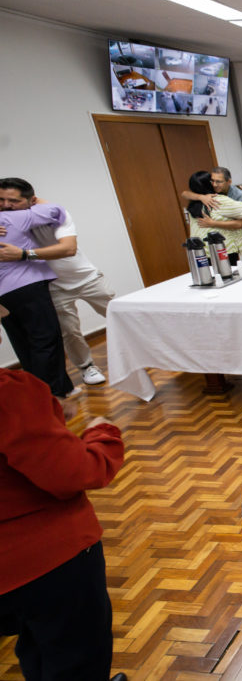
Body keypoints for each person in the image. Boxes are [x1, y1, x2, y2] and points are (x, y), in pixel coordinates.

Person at [0, 301, 127, 681]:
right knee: (76, 659)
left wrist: (44, 411)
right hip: (44, 564)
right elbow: (74, 473)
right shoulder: (9, 394)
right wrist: (102, 433)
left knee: (34, 643)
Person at [0, 177, 114, 386]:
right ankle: (87, 367)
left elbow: (68, 249)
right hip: (53, 286)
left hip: (85, 277)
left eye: (13, 201)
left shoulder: (50, 214)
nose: (7, 206)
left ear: (31, 200)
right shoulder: (5, 221)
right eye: (1, 200)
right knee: (69, 332)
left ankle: (144, 351)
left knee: (118, 315)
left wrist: (24, 254)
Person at [0, 200, 75, 398]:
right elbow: (56, 210)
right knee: (46, 340)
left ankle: (47, 393)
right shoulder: (10, 218)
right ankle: (51, 396)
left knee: (23, 344)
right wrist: (33, 200)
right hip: (26, 288)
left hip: (3, 298)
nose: (7, 204)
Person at [185, 170, 242, 264]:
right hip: (221, 250)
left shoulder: (193, 203)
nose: (215, 184)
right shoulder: (218, 201)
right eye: (212, 181)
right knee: (228, 276)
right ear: (208, 184)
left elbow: (184, 193)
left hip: (200, 251)